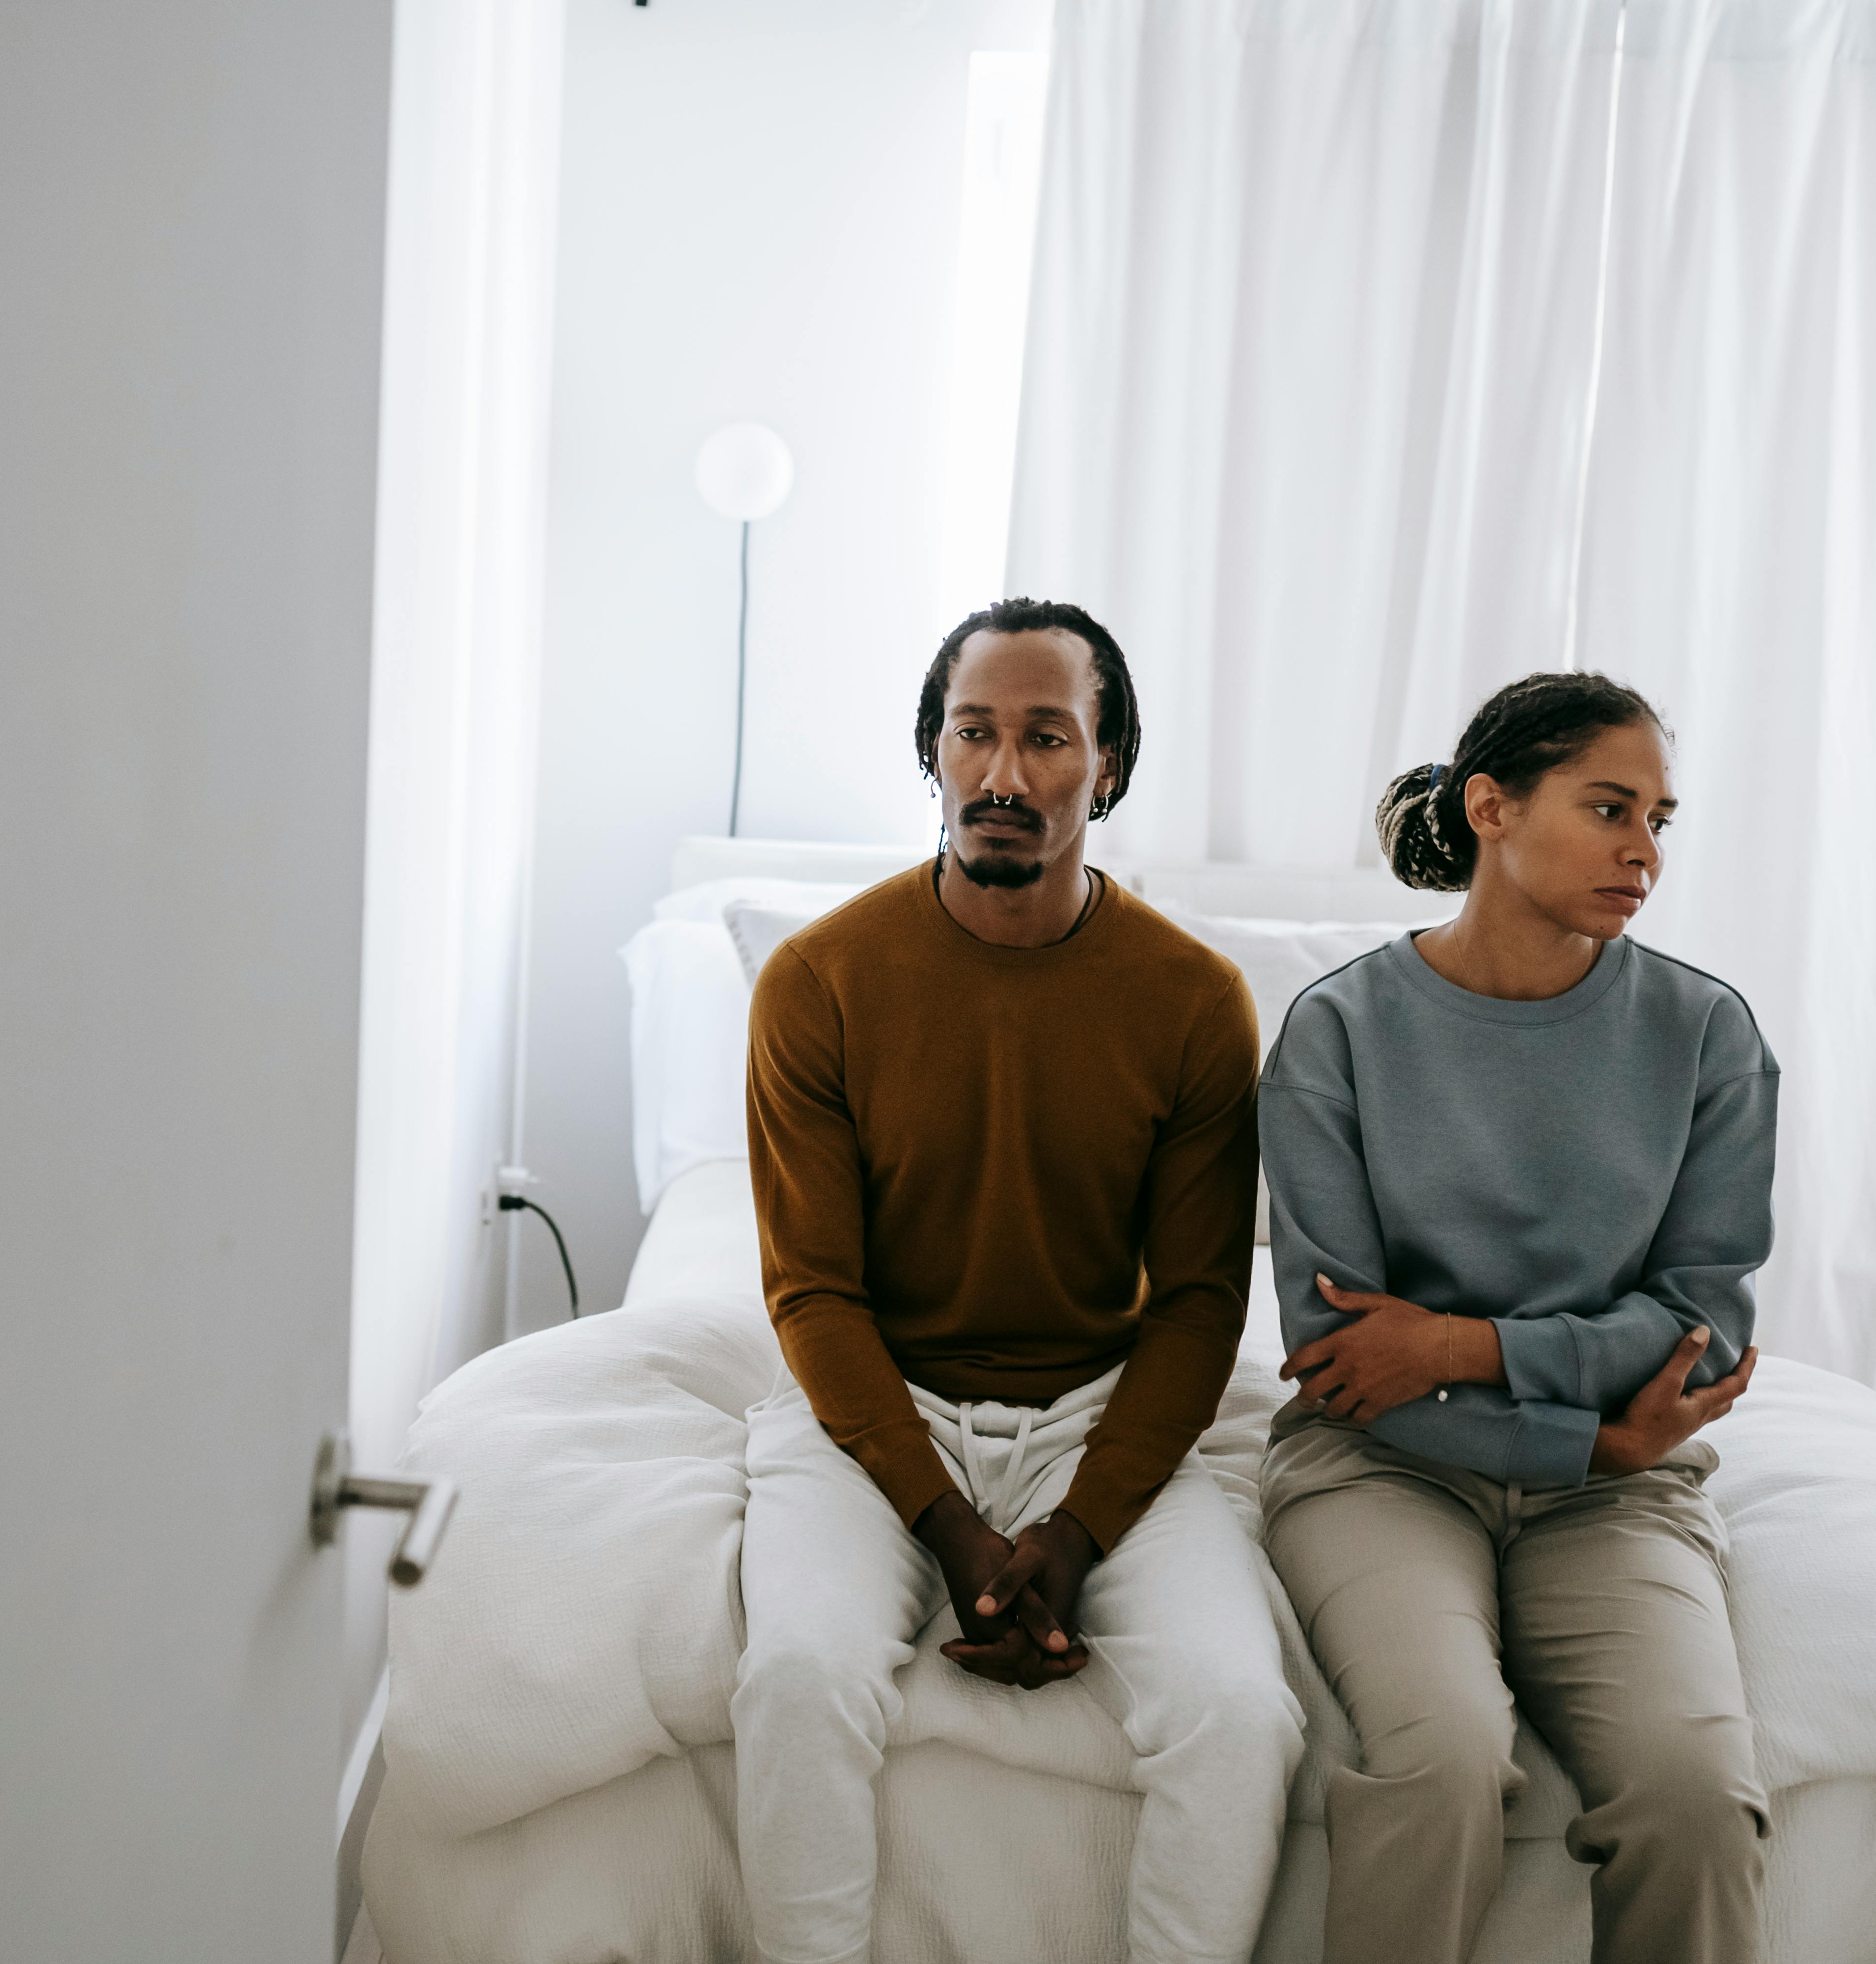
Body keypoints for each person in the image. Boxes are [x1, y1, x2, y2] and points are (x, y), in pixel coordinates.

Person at [738, 599, 1303, 1964]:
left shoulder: (1193, 1001)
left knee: (1242, 1712)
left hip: (1101, 1409)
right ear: (932, 756)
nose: (1003, 775)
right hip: (876, 1409)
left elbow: (1196, 1305)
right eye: (973, 734)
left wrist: (1079, 1534)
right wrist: (954, 1535)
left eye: (1046, 737)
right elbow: (813, 1294)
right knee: (799, 1680)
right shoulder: (818, 982)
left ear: (1107, 768)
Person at [1260, 671, 1773, 1964]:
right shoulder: (1337, 1032)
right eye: (1610, 809)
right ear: (1491, 806)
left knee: (1696, 1798)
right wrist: (1581, 1430)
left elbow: (1696, 1329)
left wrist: (1454, 1345)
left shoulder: (1706, 1035)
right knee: (1441, 1761)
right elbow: (1337, 1363)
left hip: (1621, 1494)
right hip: (1383, 1472)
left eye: (1661, 818)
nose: (1645, 851)